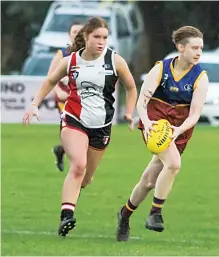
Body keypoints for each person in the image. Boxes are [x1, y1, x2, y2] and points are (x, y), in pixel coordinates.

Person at [22, 17, 138, 237]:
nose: (101, 41)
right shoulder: (71, 60)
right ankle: (67, 215)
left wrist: (130, 113)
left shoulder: (115, 61)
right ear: (86, 37)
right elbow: (50, 81)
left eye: (105, 37)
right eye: (97, 37)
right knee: (78, 166)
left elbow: (131, 87)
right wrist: (34, 104)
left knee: (85, 178)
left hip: (102, 126)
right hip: (74, 119)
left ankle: (71, 193)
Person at [115, 26, 209, 242]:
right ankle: (155, 213)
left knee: (148, 181)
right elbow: (142, 101)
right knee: (174, 164)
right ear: (180, 47)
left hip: (179, 130)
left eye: (201, 48)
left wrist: (179, 130)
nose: (198, 52)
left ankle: (124, 214)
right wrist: (147, 123)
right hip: (155, 126)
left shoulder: (200, 77)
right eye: (194, 47)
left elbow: (194, 115)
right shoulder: (161, 69)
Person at [50, 21, 84, 172]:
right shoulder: (62, 54)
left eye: (80, 31)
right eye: (74, 31)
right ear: (69, 35)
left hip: (84, 100)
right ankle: (76, 167)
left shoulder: (89, 55)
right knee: (73, 130)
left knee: (84, 132)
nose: (77, 34)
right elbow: (51, 76)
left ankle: (61, 150)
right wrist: (58, 90)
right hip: (65, 99)